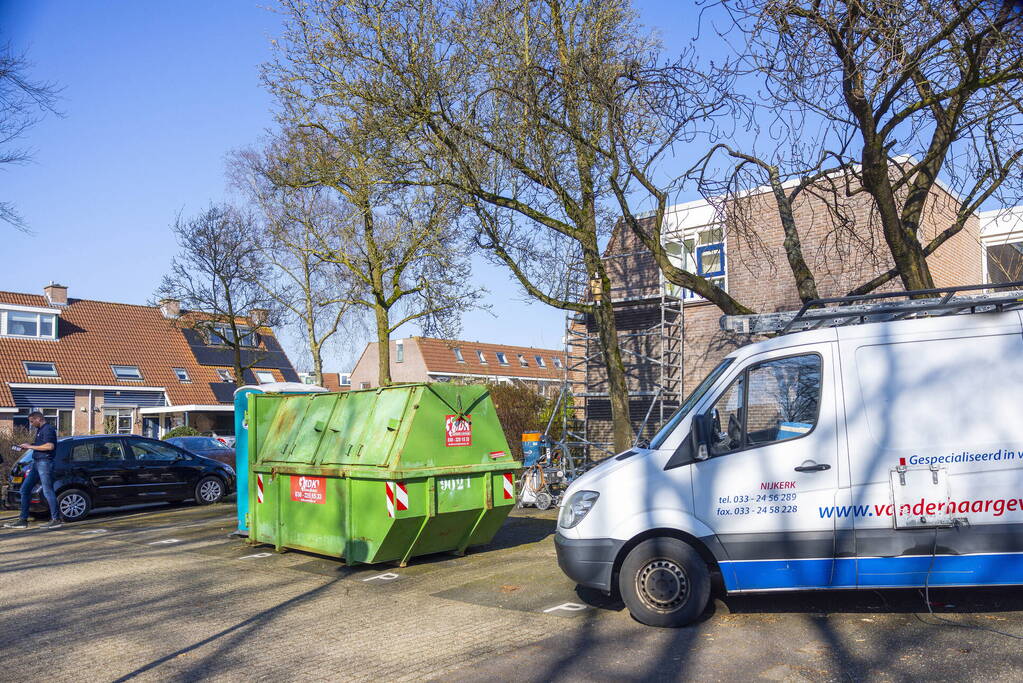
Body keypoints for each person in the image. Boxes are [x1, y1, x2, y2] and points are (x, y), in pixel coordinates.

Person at [3, 411, 62, 530]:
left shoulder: (48, 429)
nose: (31, 424)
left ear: (39, 419)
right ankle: (23, 520)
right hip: (37, 463)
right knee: (25, 489)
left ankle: (56, 519)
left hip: (45, 463)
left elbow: (50, 446)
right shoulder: (40, 430)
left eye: (32, 421)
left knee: (47, 491)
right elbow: (41, 445)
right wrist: (27, 445)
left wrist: (30, 447)